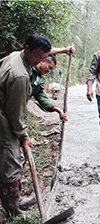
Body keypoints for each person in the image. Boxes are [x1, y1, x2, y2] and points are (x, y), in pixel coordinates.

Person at [0, 34, 52, 216]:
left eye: (44, 58)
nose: (40, 61)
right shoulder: (20, 75)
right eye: (38, 56)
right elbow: (16, 112)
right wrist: (23, 136)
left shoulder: (17, 56)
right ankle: (12, 209)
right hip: (4, 121)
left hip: (5, 113)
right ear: (27, 48)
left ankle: (16, 198)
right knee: (12, 162)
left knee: (13, 160)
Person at [30, 54, 68, 121]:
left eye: (51, 69)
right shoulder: (29, 68)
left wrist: (58, 111)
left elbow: (41, 97)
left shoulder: (40, 80)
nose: (48, 71)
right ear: (42, 61)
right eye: (49, 67)